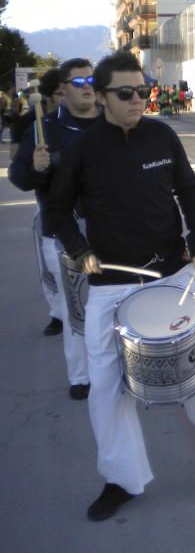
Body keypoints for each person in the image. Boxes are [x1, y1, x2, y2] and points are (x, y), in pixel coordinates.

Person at [45, 52, 195, 521]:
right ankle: (122, 477)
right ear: (101, 98)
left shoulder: (161, 134)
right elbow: (58, 210)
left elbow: (187, 188)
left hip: (174, 275)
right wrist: (80, 251)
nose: (139, 99)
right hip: (112, 286)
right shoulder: (84, 150)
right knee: (107, 389)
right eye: (127, 93)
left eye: (144, 91)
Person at [9, 63, 92, 359]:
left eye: (92, 79)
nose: (87, 85)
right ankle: (81, 376)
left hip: (108, 231)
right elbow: (18, 176)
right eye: (79, 80)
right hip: (61, 233)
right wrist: (35, 168)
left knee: (108, 306)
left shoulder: (108, 125)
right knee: (75, 309)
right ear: (63, 88)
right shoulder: (42, 128)